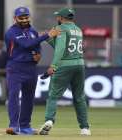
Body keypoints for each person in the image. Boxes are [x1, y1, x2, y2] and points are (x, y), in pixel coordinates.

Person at [4, 6, 60, 135]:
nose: (24, 20)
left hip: (31, 68)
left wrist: (38, 54)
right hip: (16, 67)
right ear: (15, 18)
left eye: (26, 17)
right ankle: (13, 126)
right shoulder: (12, 32)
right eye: (21, 17)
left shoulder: (33, 31)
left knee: (28, 98)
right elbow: (26, 44)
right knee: (13, 96)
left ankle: (24, 126)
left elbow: (35, 45)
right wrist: (47, 35)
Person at [38, 8, 91, 136]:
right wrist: (48, 38)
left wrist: (53, 65)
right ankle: (85, 128)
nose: (57, 19)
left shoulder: (60, 28)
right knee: (79, 97)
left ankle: (49, 120)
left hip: (65, 65)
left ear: (61, 18)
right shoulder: (78, 30)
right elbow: (66, 47)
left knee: (53, 96)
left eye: (58, 17)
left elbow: (61, 49)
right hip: (79, 65)